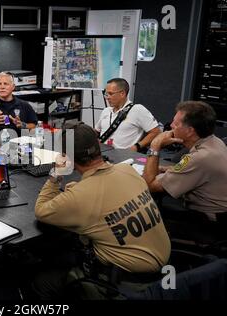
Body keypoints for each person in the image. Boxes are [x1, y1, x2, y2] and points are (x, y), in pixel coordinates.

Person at [33, 122, 170, 299]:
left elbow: (41, 210)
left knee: (41, 281)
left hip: (126, 284)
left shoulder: (80, 196)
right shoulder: (127, 170)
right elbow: (108, 193)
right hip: (164, 272)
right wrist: (80, 190)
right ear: (98, 145)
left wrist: (57, 173)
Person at [143, 100, 227, 224]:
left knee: (153, 214)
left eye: (175, 123)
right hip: (226, 212)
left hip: (224, 223)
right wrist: (169, 170)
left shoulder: (202, 157)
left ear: (190, 131)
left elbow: (151, 186)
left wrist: (155, 145)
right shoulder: (212, 142)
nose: (171, 126)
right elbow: (190, 167)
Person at [95, 78, 161, 151]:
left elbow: (156, 132)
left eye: (111, 94)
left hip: (124, 157)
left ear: (122, 93)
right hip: (103, 154)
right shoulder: (106, 111)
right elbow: (96, 131)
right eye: (106, 94)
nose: (107, 97)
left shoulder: (138, 110)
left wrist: (137, 146)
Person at [0, 71, 38, 141]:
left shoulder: (24, 106)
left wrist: (23, 125)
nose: (2, 87)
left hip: (19, 147)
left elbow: (34, 127)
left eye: (6, 84)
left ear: (13, 87)